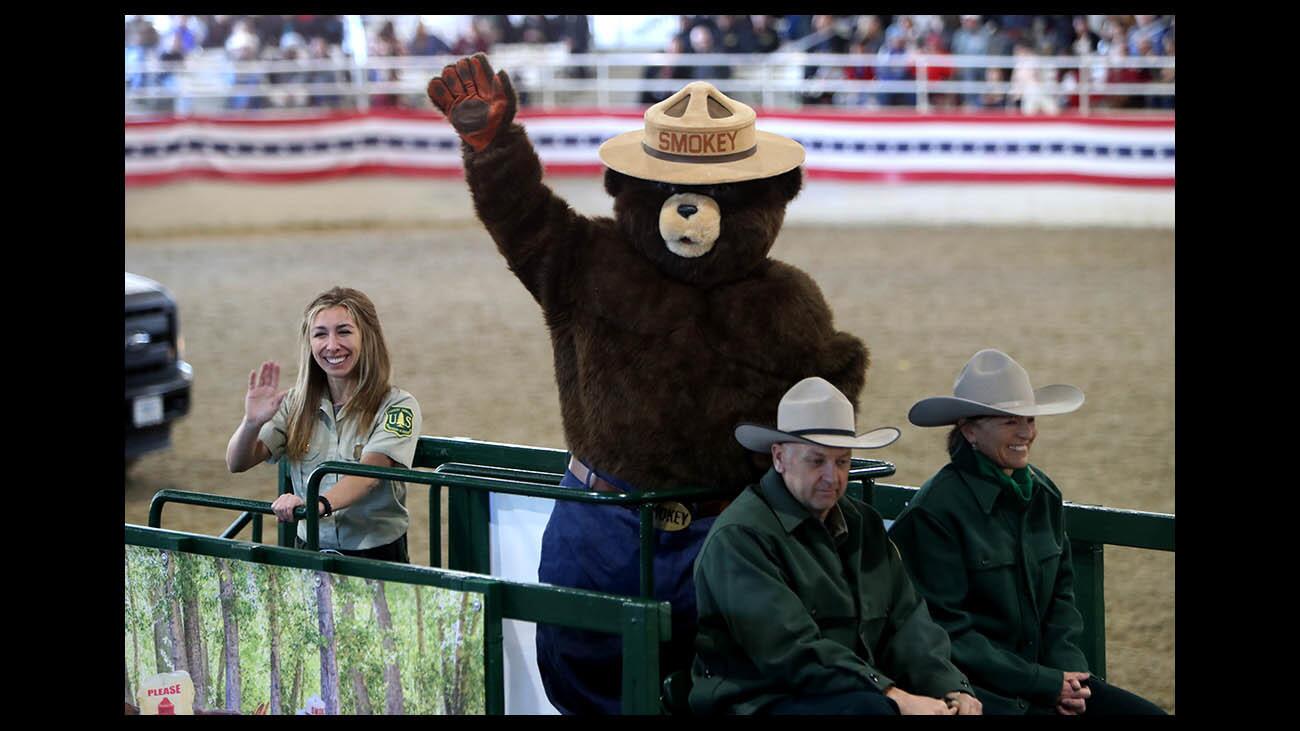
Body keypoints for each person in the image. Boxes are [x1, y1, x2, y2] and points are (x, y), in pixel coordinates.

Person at [889, 349, 1166, 715]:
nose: (1026, 432)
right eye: (1008, 421)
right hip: (980, 691)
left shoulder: (1043, 494)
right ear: (970, 430)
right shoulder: (935, 512)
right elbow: (948, 633)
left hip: (1047, 680)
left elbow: (1061, 599)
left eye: (1030, 419)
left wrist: (1070, 677)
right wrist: (1044, 683)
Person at [690, 377, 982, 715]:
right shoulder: (741, 537)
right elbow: (789, 650)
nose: (833, 476)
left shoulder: (864, 525)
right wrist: (895, 696)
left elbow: (906, 619)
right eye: (817, 461)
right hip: (757, 700)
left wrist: (947, 686)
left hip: (844, 691)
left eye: (842, 461)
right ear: (779, 458)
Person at [225, 287, 422, 563]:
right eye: (320, 334)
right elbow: (237, 462)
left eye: (344, 332)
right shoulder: (295, 403)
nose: (332, 345)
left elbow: (369, 474)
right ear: (309, 343)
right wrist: (251, 423)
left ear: (368, 338)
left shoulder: (397, 405)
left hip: (375, 555)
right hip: (309, 548)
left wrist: (312, 505)